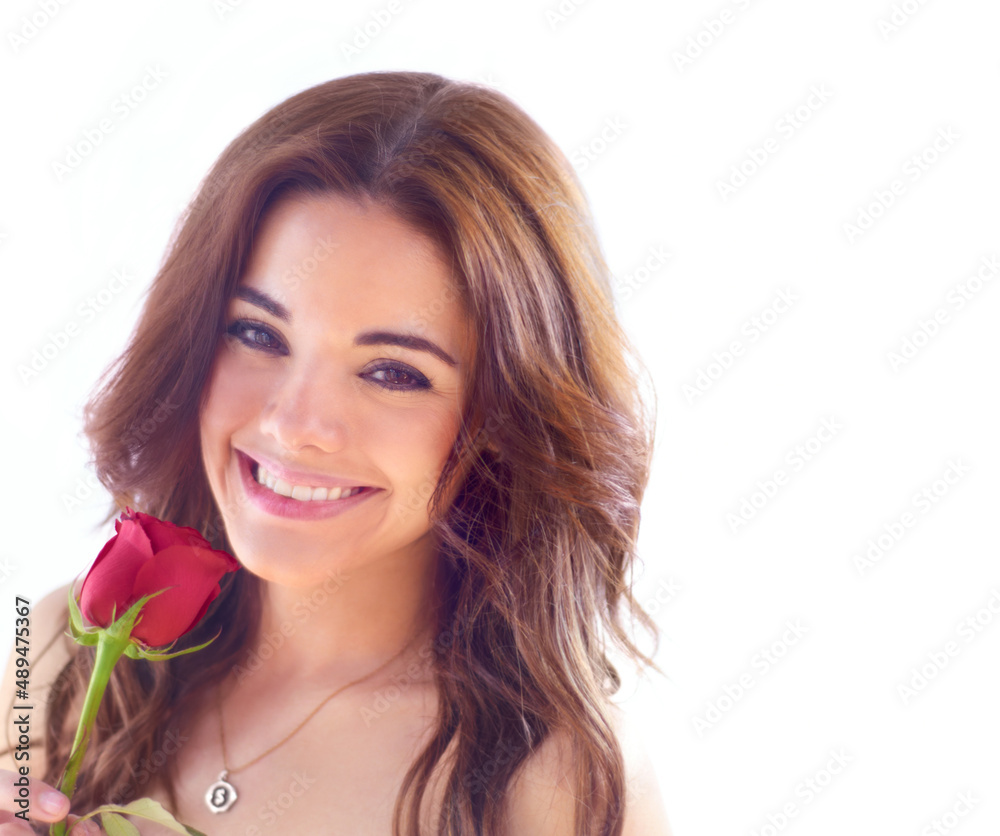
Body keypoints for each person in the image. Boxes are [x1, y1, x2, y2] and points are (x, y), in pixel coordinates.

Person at [0, 70, 671, 835]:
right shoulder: (62, 651)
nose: (294, 425)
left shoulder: (551, 778)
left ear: (507, 418)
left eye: (393, 373)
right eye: (257, 333)